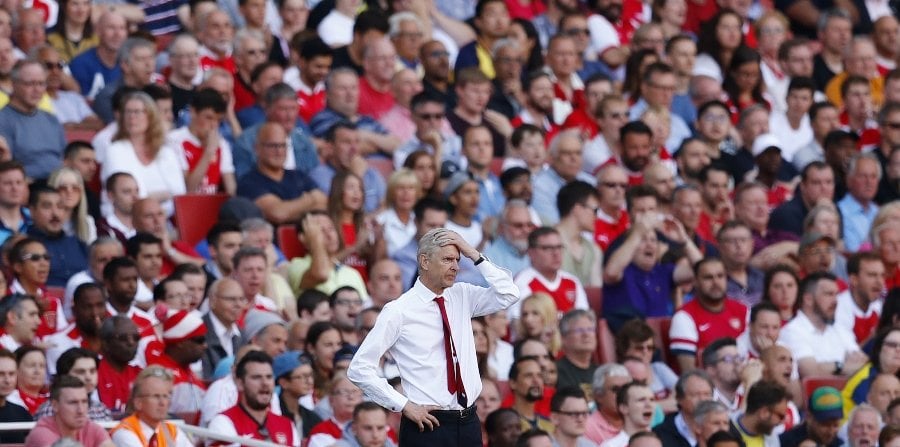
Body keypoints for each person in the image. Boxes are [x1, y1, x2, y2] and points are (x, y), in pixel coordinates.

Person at [348, 228, 520, 446]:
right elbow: (359, 368)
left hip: (469, 422)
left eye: (458, 259)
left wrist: (472, 253)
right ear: (425, 261)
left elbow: (509, 293)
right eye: (448, 259)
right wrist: (403, 405)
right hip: (427, 425)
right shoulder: (399, 310)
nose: (456, 266)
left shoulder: (463, 294)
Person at [779, 272, 868, 378]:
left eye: (837, 294)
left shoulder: (840, 329)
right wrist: (841, 366)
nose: (835, 301)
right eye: (829, 294)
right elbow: (811, 373)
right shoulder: (792, 332)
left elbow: (865, 365)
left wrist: (827, 368)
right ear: (808, 299)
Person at [670, 257, 750, 371]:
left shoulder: (743, 310)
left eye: (720, 276)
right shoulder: (684, 317)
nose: (716, 282)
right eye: (708, 277)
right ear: (695, 282)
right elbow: (689, 372)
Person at [208, 350, 300, 446]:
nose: (265, 383)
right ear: (240, 383)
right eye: (256, 377)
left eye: (269, 377)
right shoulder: (223, 423)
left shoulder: (287, 425)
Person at [0, 60, 65, 181]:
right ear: (13, 84)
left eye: (41, 83)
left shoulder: (51, 119)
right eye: (30, 84)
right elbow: (6, 167)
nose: (37, 89)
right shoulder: (2, 120)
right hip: (28, 186)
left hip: (58, 184)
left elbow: (63, 158)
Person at [512, 227, 588, 320]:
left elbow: (584, 320)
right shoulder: (522, 283)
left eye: (559, 247)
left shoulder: (572, 282)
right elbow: (517, 325)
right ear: (531, 253)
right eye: (547, 248)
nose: (556, 253)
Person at [110, 365, 194, 447]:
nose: (162, 403)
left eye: (166, 396)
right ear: (138, 402)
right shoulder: (124, 433)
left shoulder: (172, 431)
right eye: (156, 396)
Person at [23, 375, 114, 447]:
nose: (81, 410)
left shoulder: (90, 428)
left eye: (84, 402)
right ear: (55, 405)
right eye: (73, 403)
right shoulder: (42, 434)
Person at [37, 347, 110, 421]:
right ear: (64, 376)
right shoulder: (52, 409)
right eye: (81, 372)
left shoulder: (101, 408)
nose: (88, 377)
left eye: (92, 371)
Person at [652, 371, 716, 447]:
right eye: (695, 395)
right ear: (679, 398)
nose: (702, 399)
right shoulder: (660, 433)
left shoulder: (723, 425)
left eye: (707, 394)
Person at [202, 278, 246, 380]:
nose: (238, 305)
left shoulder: (243, 335)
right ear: (212, 301)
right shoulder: (199, 333)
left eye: (242, 299)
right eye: (231, 299)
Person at [97, 315, 141, 417]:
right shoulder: (93, 373)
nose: (131, 342)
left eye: (136, 338)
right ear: (106, 343)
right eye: (123, 338)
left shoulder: (141, 375)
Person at [779, 386, 844, 447]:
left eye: (836, 425)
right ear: (809, 417)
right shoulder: (786, 441)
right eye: (825, 425)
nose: (831, 431)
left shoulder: (839, 443)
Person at [585, 363, 631, 445]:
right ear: (598, 396)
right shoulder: (587, 428)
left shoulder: (641, 418)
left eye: (626, 388)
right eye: (616, 389)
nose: (623, 394)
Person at [733, 380, 788, 446]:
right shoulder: (724, 427)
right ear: (764, 413)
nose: (782, 422)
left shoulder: (772, 440)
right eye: (781, 416)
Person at [600, 383, 656, 447]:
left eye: (652, 400)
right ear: (624, 408)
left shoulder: (664, 438)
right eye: (641, 400)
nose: (649, 405)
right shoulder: (611, 445)